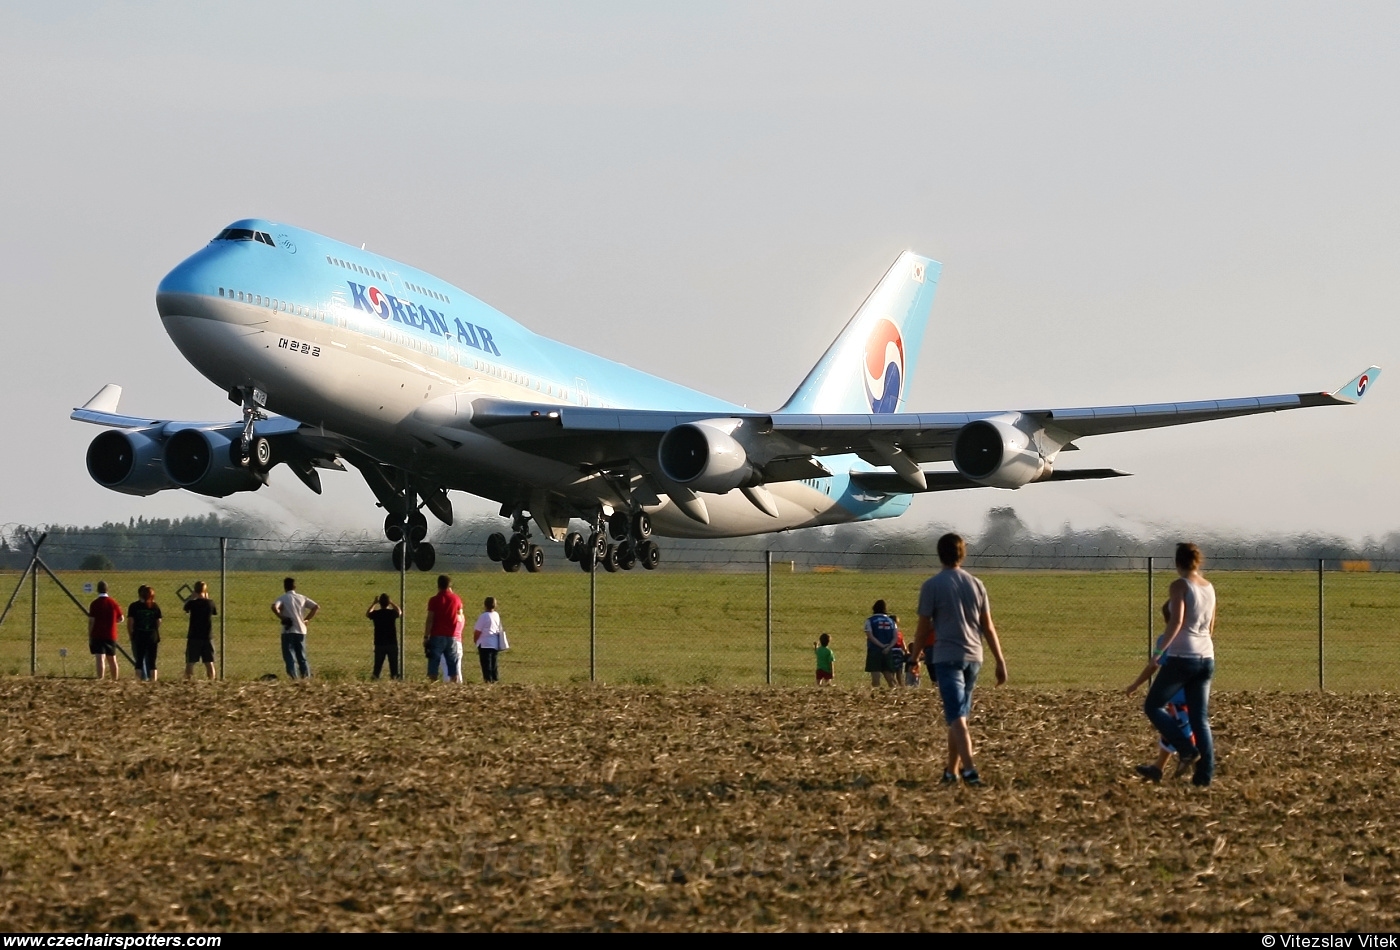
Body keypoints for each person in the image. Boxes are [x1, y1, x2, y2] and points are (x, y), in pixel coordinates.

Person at [910, 533, 1008, 786]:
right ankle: (951, 772)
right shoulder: (977, 585)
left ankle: (970, 771)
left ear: (939, 554)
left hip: (947, 657)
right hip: (974, 657)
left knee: (957, 717)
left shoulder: (932, 586)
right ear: (962, 554)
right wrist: (1000, 660)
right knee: (959, 715)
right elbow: (988, 627)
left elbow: (923, 629)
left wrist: (913, 657)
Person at [1143, 542, 1217, 787]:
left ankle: (1186, 749)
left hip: (1183, 656)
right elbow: (1211, 627)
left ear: (1177, 563)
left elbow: (1176, 621)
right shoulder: (1209, 587)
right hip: (1207, 656)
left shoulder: (1179, 586)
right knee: (1200, 719)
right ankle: (1204, 777)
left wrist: (1158, 652)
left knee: (1153, 705)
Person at [1124, 605, 1195, 781]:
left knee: (1182, 734)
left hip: (1179, 697)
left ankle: (1199, 770)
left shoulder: (1165, 641)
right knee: (1172, 731)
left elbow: (1153, 666)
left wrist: (1136, 684)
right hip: (1187, 695)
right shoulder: (1194, 640)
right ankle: (1158, 768)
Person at [271, 577, 319, 679]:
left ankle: (294, 678)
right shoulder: (302, 598)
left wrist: (282, 617)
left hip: (288, 631)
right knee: (302, 656)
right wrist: (306, 619)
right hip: (301, 630)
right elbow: (316, 607)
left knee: (289, 656)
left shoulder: (283, 598)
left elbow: (274, 607)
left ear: (284, 587)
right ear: (295, 586)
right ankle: (306, 678)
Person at [424, 575, 464, 683]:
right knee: (452, 663)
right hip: (451, 636)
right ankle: (454, 684)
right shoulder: (456, 599)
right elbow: (460, 616)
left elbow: (430, 619)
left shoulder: (434, 600)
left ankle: (432, 683)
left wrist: (426, 636)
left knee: (434, 662)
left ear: (438, 585)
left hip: (436, 635)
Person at [87, 580, 123, 680]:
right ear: (107, 590)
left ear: (97, 590)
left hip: (97, 634)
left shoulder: (94, 603)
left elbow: (91, 621)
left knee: (100, 658)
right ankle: (115, 679)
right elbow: (121, 618)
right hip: (111, 634)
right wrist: (112, 621)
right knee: (112, 659)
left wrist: (90, 634)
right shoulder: (113, 603)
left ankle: (100, 679)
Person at [183, 581, 218, 680]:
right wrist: (207, 598)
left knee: (190, 662)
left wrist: (191, 598)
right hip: (207, 636)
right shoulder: (210, 603)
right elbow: (214, 612)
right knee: (209, 662)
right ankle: (211, 680)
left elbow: (185, 608)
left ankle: (188, 680)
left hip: (194, 636)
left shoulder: (192, 603)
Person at [127, 584, 162, 682]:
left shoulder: (134, 606)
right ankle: (153, 681)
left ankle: (139, 681)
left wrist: (131, 634)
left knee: (139, 661)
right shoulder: (155, 606)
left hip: (139, 636)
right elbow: (159, 621)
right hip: (152, 636)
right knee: (152, 661)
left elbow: (130, 622)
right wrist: (154, 629)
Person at [864, 599, 899, 688]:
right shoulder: (891, 621)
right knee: (889, 675)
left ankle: (876, 692)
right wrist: (888, 647)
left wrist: (881, 646)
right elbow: (895, 637)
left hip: (874, 650)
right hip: (888, 651)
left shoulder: (870, 620)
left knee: (875, 677)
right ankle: (894, 692)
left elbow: (870, 636)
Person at [367, 593, 402, 680]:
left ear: (380, 603)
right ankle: (394, 679)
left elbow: (368, 613)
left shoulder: (377, 614)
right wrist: (391, 602)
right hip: (392, 643)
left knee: (377, 667)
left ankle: (375, 679)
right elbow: (399, 612)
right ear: (388, 603)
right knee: (394, 667)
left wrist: (374, 603)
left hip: (379, 643)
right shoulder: (391, 613)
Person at [473, 596, 507, 683]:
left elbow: (478, 631)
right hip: (494, 643)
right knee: (494, 664)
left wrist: (475, 640)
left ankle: (488, 681)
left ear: (485, 605)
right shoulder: (496, 615)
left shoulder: (483, 616)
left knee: (486, 665)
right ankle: (495, 680)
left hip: (484, 644)